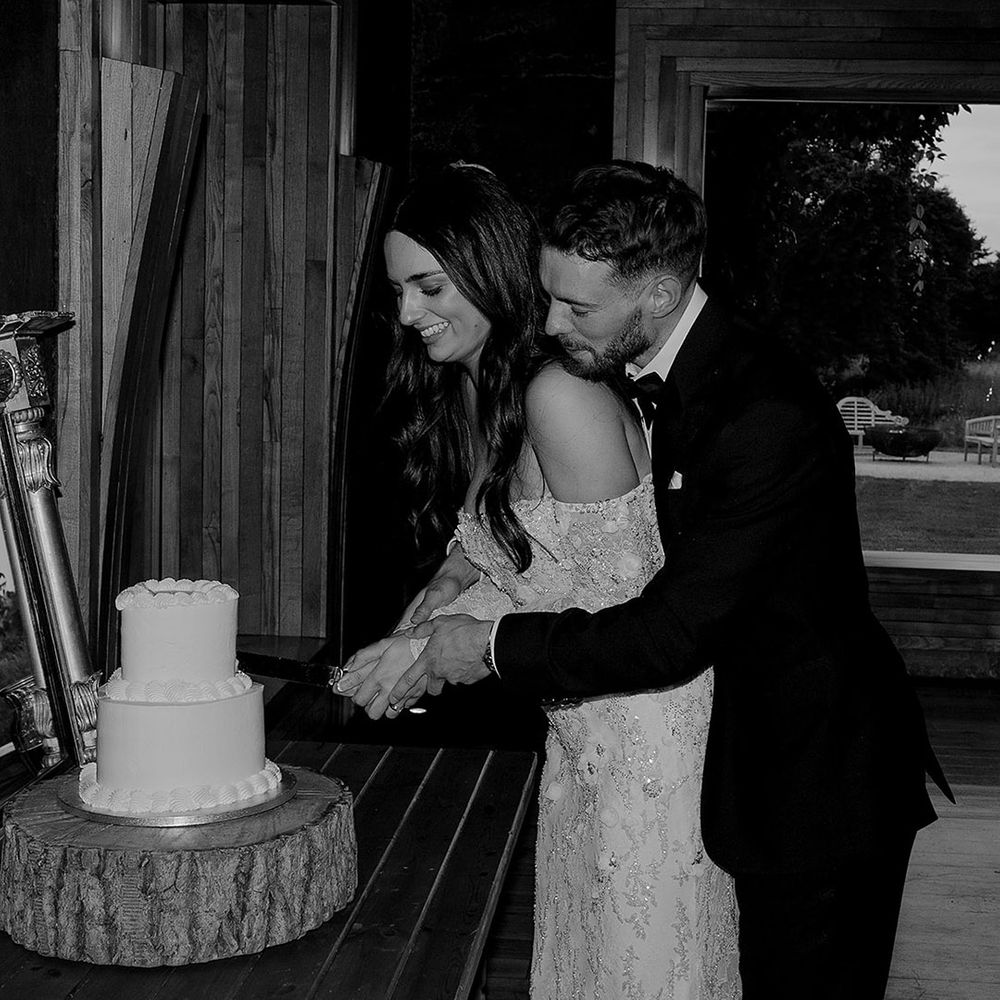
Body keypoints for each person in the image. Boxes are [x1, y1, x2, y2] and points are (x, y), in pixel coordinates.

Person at [340, 160, 953, 1000]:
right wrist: (452, 587)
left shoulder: (762, 412)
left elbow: (663, 627)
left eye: (575, 306)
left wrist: (480, 647)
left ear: (658, 295)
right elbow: (540, 537)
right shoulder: (618, 355)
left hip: (809, 773)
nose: (550, 322)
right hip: (665, 733)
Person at [338, 161, 741, 998]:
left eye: (430, 286)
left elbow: (623, 603)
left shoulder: (559, 394)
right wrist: (445, 593)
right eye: (399, 290)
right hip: (581, 731)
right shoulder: (493, 390)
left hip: (646, 743)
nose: (407, 313)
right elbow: (526, 550)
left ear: (491, 272)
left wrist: (441, 645)